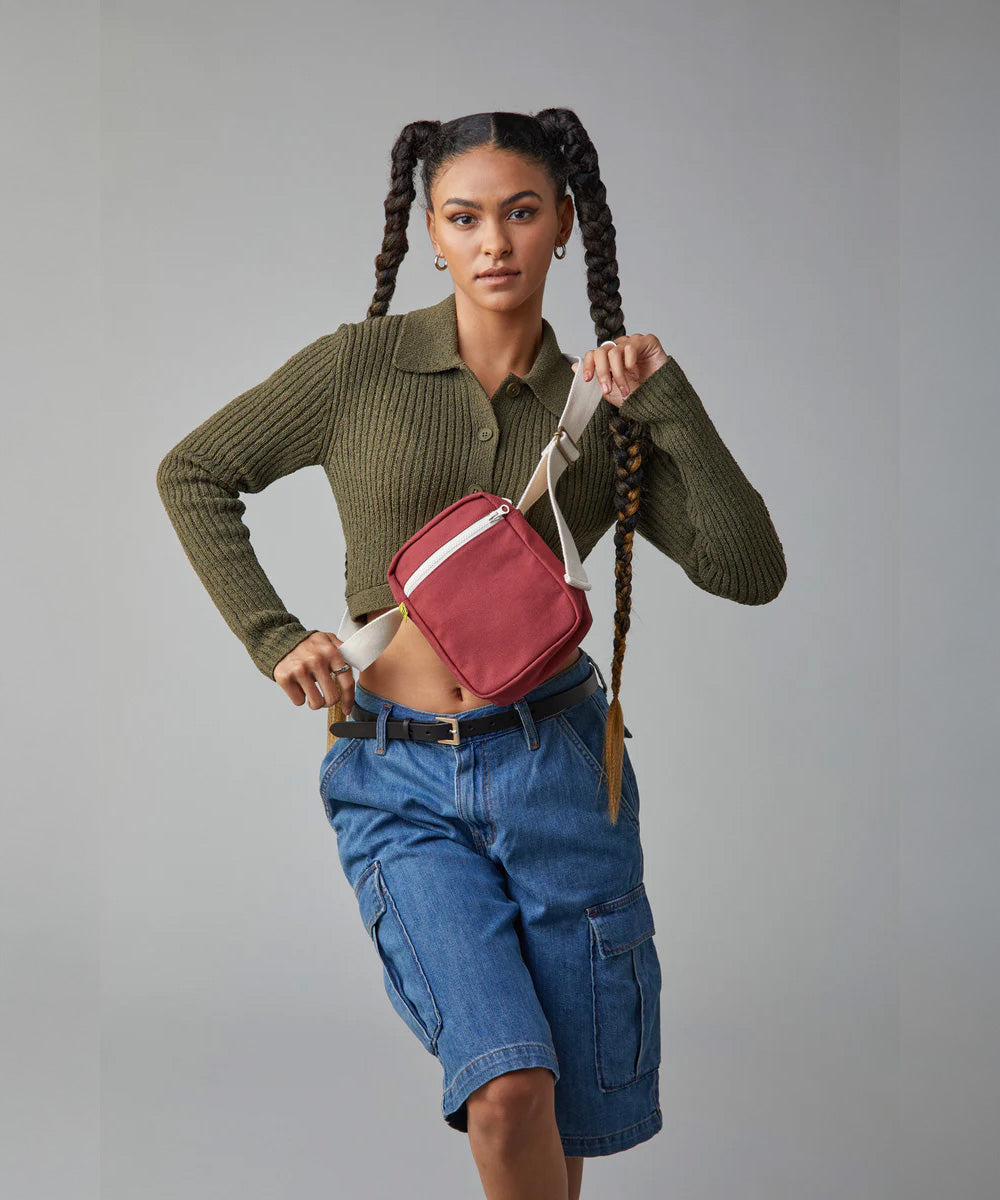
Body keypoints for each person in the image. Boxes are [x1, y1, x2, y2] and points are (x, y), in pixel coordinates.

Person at [157, 108, 787, 1200]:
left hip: (559, 769)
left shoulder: (603, 406)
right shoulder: (357, 368)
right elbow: (194, 472)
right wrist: (275, 636)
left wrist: (668, 401)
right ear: (432, 235)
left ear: (563, 226)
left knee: (561, 1108)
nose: (494, 241)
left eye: (521, 213)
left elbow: (748, 568)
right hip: (397, 776)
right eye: (464, 217)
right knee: (505, 1087)